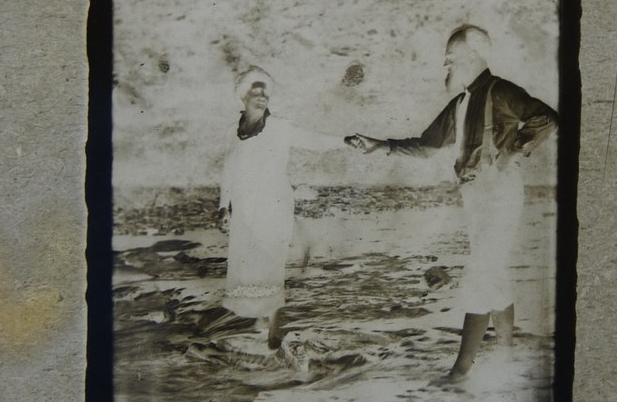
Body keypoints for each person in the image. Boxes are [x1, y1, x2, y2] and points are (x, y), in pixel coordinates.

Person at [347, 24, 558, 383]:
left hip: (501, 193)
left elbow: (546, 118)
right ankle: (506, 357)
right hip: (475, 197)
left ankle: (461, 371)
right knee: (493, 272)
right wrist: (380, 145)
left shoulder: (501, 90)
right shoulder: (459, 103)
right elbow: (428, 145)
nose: (446, 66)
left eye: (450, 58)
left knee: (480, 274)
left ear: (473, 55)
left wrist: (510, 154)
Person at [217, 66, 339, 349]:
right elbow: (228, 171)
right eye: (255, 92)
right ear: (242, 96)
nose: (261, 97)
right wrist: (224, 207)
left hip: (274, 205)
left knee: (271, 263)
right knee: (247, 264)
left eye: (265, 93)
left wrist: (345, 141)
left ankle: (275, 327)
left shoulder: (280, 126)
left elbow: (313, 140)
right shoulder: (232, 133)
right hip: (245, 209)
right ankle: (259, 315)